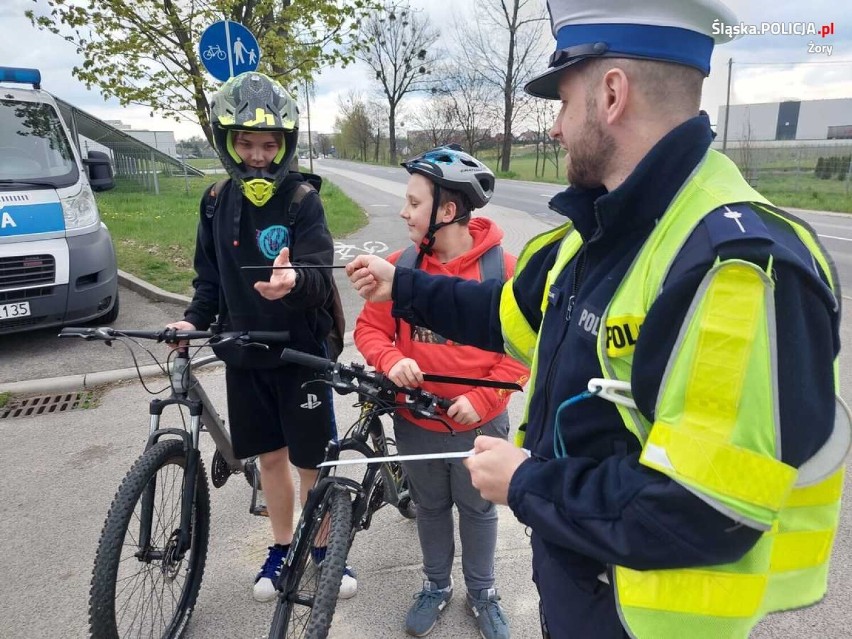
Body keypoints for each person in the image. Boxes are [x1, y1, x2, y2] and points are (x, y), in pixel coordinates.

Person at [345, 1, 849, 637]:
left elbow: (701, 508)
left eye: (561, 100)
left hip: (644, 618)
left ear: (612, 94)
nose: (554, 127)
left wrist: (526, 481)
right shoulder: (603, 231)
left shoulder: (735, 267)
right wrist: (404, 288)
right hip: (582, 585)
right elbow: (507, 314)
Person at [167, 71, 356, 603]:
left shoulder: (301, 200)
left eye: (268, 144)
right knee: (270, 459)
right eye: (245, 143)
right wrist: (191, 318)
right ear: (227, 143)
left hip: (300, 352)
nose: (256, 155)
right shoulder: (213, 201)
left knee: (311, 462)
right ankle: (282, 545)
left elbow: (321, 276)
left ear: (285, 145)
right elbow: (209, 281)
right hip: (244, 352)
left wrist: (294, 282)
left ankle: (323, 551)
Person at [354, 145, 529, 639]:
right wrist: (392, 360)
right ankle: (435, 585)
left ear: (447, 212)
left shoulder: (503, 271)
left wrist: (484, 400)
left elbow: (522, 352)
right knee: (430, 508)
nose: (404, 212)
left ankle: (483, 591)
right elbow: (370, 331)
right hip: (416, 421)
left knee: (477, 510)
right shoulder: (401, 266)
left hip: (480, 425)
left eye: (413, 203)